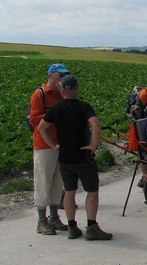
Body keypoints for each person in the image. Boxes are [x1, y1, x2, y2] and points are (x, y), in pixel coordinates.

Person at [38, 75, 112, 240]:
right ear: (76, 88)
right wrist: (93, 145)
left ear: (62, 89)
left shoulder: (55, 108)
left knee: (70, 192)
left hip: (65, 156)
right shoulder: (83, 107)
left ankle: (72, 227)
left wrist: (53, 145)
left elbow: (41, 128)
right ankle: (92, 226)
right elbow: (96, 125)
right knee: (92, 191)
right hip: (82, 155)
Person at [29, 63, 69, 235]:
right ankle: (41, 221)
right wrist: (53, 114)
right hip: (44, 145)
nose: (63, 78)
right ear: (51, 75)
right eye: (60, 75)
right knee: (43, 182)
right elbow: (34, 119)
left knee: (58, 182)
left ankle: (54, 217)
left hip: (60, 143)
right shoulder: (40, 94)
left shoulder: (62, 95)